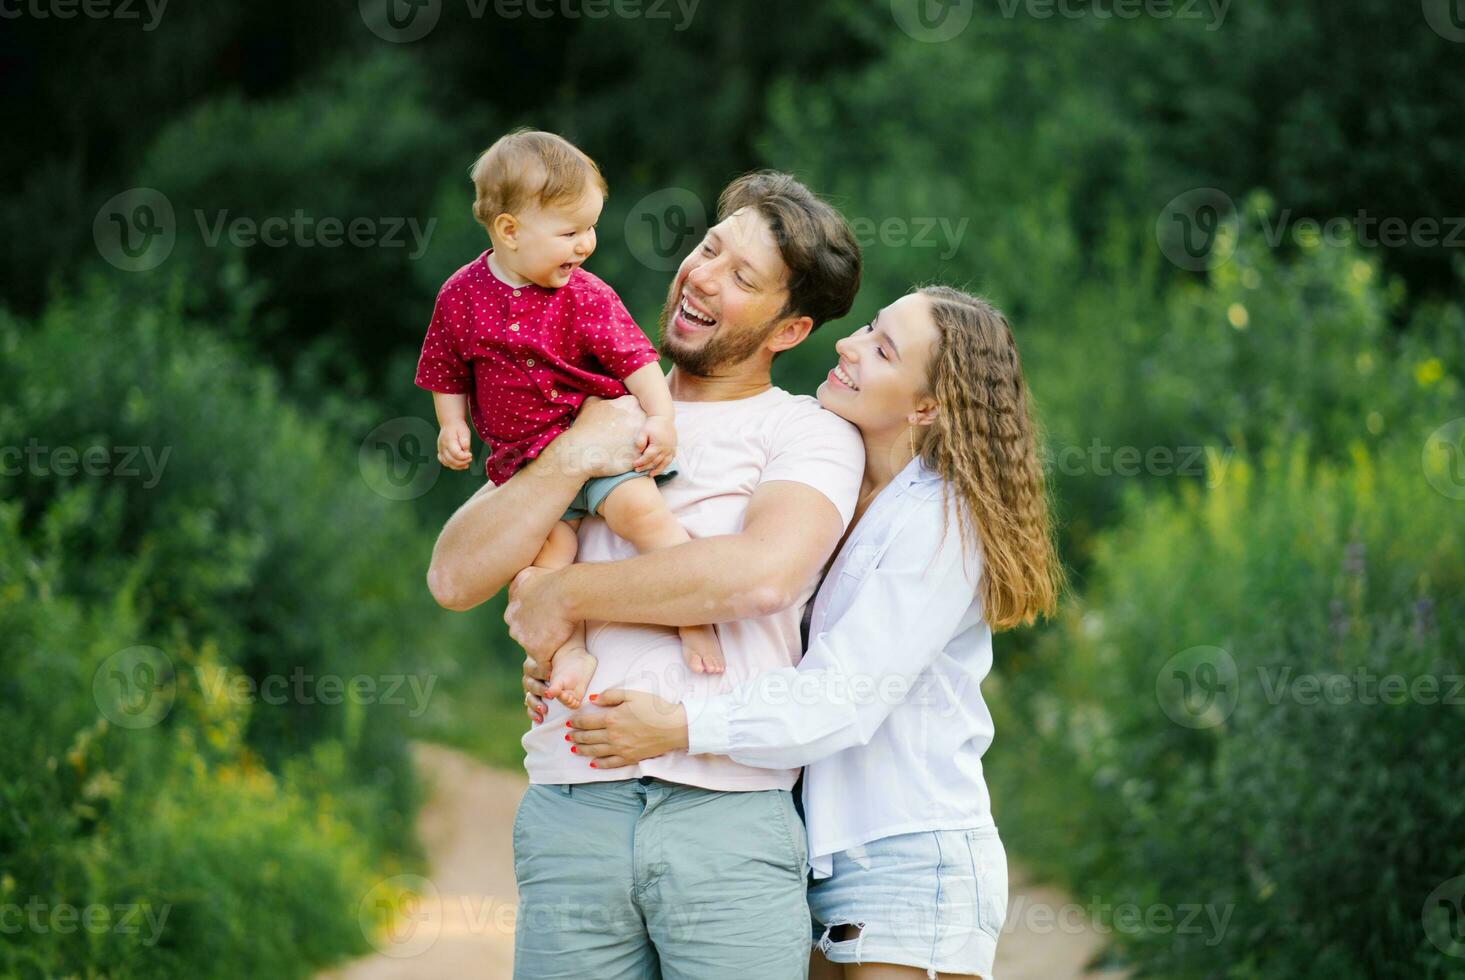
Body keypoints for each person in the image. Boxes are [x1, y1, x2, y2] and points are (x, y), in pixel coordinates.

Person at [540, 286, 1064, 979]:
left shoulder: (941, 521)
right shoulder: (840, 491)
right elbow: (751, 630)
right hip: (819, 849)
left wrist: (678, 726)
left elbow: (839, 696)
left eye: (882, 350)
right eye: (870, 328)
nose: (849, 345)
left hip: (907, 858)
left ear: (927, 408)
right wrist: (577, 649)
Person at [427, 170, 866, 978]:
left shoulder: (807, 435)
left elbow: (759, 576)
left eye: (742, 278)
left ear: (791, 328)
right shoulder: (584, 403)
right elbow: (454, 576)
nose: (702, 276)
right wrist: (577, 451)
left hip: (726, 821)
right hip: (572, 811)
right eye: (709, 248)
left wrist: (562, 593)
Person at [414, 128, 721, 710]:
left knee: (640, 513)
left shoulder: (584, 295)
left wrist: (662, 419)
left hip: (599, 451)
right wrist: (450, 424)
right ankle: (567, 656)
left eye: (591, 229)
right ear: (510, 231)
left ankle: (690, 613)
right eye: (570, 232)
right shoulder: (460, 296)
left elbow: (637, 360)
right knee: (536, 573)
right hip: (524, 468)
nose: (586, 245)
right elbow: (445, 367)